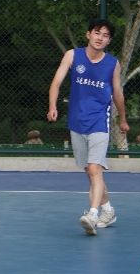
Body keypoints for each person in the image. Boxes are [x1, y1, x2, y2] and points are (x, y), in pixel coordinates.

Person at [46, 17, 130, 235]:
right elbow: (56, 82)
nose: (100, 38)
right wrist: (53, 106)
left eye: (105, 35)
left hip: (99, 121)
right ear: (88, 34)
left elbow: (118, 93)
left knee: (94, 169)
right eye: (97, 33)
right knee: (91, 171)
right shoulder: (73, 56)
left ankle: (92, 214)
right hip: (76, 122)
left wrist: (122, 118)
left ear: (109, 41)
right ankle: (108, 210)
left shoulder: (112, 64)